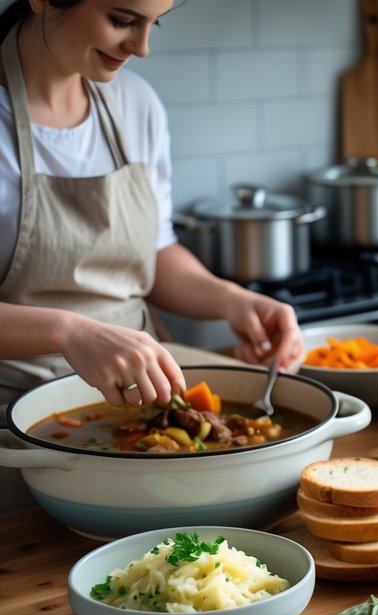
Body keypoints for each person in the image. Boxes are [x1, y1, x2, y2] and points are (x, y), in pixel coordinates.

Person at [0, 0, 305, 418]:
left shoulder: (136, 104)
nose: (141, 48)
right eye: (122, 20)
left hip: (145, 384)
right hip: (14, 396)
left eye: (153, 24)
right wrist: (68, 331)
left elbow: (155, 252)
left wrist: (232, 300)